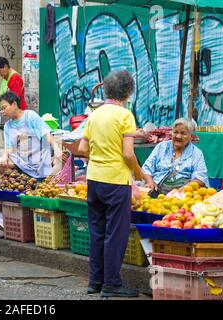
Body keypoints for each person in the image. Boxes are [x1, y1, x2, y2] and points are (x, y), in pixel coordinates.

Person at [78, 70, 143, 298]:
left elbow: (83, 149)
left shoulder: (94, 115)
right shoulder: (125, 116)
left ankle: (94, 281)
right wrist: (141, 173)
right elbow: (128, 153)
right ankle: (112, 284)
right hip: (115, 181)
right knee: (115, 234)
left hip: (93, 179)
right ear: (128, 92)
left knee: (97, 231)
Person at [0, 92, 62, 179]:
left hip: (39, 159)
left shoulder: (30, 116)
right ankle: (18, 183)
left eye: (5, 107)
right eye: (2, 109)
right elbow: (9, 148)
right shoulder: (7, 125)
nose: (3, 111)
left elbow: (46, 134)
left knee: (57, 163)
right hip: (21, 162)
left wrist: (57, 149)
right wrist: (4, 157)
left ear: (14, 104)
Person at [142, 118, 209, 195]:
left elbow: (200, 177)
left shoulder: (196, 153)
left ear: (191, 137)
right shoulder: (161, 147)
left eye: (183, 133)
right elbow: (146, 168)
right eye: (175, 132)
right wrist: (150, 182)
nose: (178, 136)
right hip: (158, 191)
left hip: (184, 194)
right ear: (171, 133)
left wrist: (181, 191)